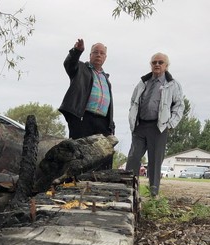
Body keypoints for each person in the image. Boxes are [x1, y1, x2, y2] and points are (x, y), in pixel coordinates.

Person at [125, 52, 184, 197]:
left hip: (158, 127)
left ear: (166, 66)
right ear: (151, 65)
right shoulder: (143, 82)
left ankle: (153, 194)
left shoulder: (173, 85)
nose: (157, 65)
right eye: (154, 62)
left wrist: (170, 124)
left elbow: (179, 105)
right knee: (133, 158)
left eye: (160, 62)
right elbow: (134, 102)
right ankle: (128, 191)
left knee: (155, 162)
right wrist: (133, 120)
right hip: (140, 127)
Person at [59, 39, 115, 169]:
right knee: (79, 155)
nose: (99, 55)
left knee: (103, 156)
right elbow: (69, 63)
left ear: (105, 57)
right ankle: (75, 185)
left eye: (102, 53)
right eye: (95, 52)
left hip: (102, 121)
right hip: (83, 118)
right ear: (90, 55)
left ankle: (101, 184)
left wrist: (111, 124)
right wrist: (76, 51)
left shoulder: (105, 78)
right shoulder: (80, 69)